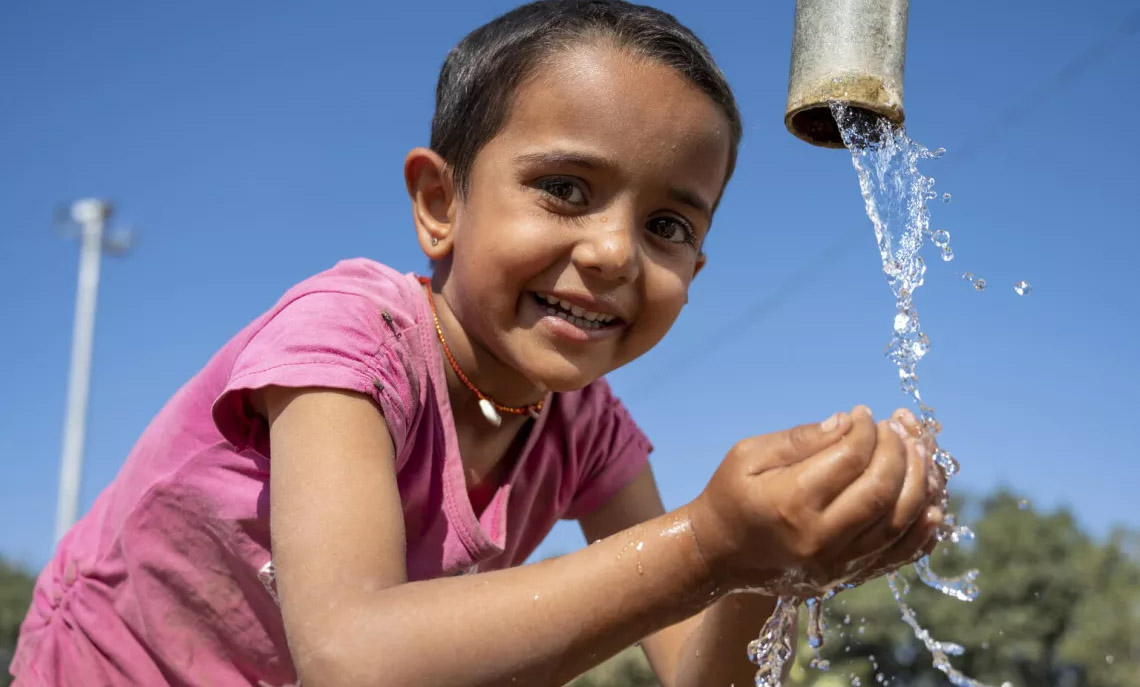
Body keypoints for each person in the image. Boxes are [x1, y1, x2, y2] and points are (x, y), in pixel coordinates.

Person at [11, 1, 945, 685]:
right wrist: (707, 542)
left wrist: (771, 567)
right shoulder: (350, 337)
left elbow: (696, 677)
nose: (615, 251)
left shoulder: (588, 429)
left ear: (696, 269)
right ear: (439, 203)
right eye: (566, 189)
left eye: (668, 226)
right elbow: (354, 655)